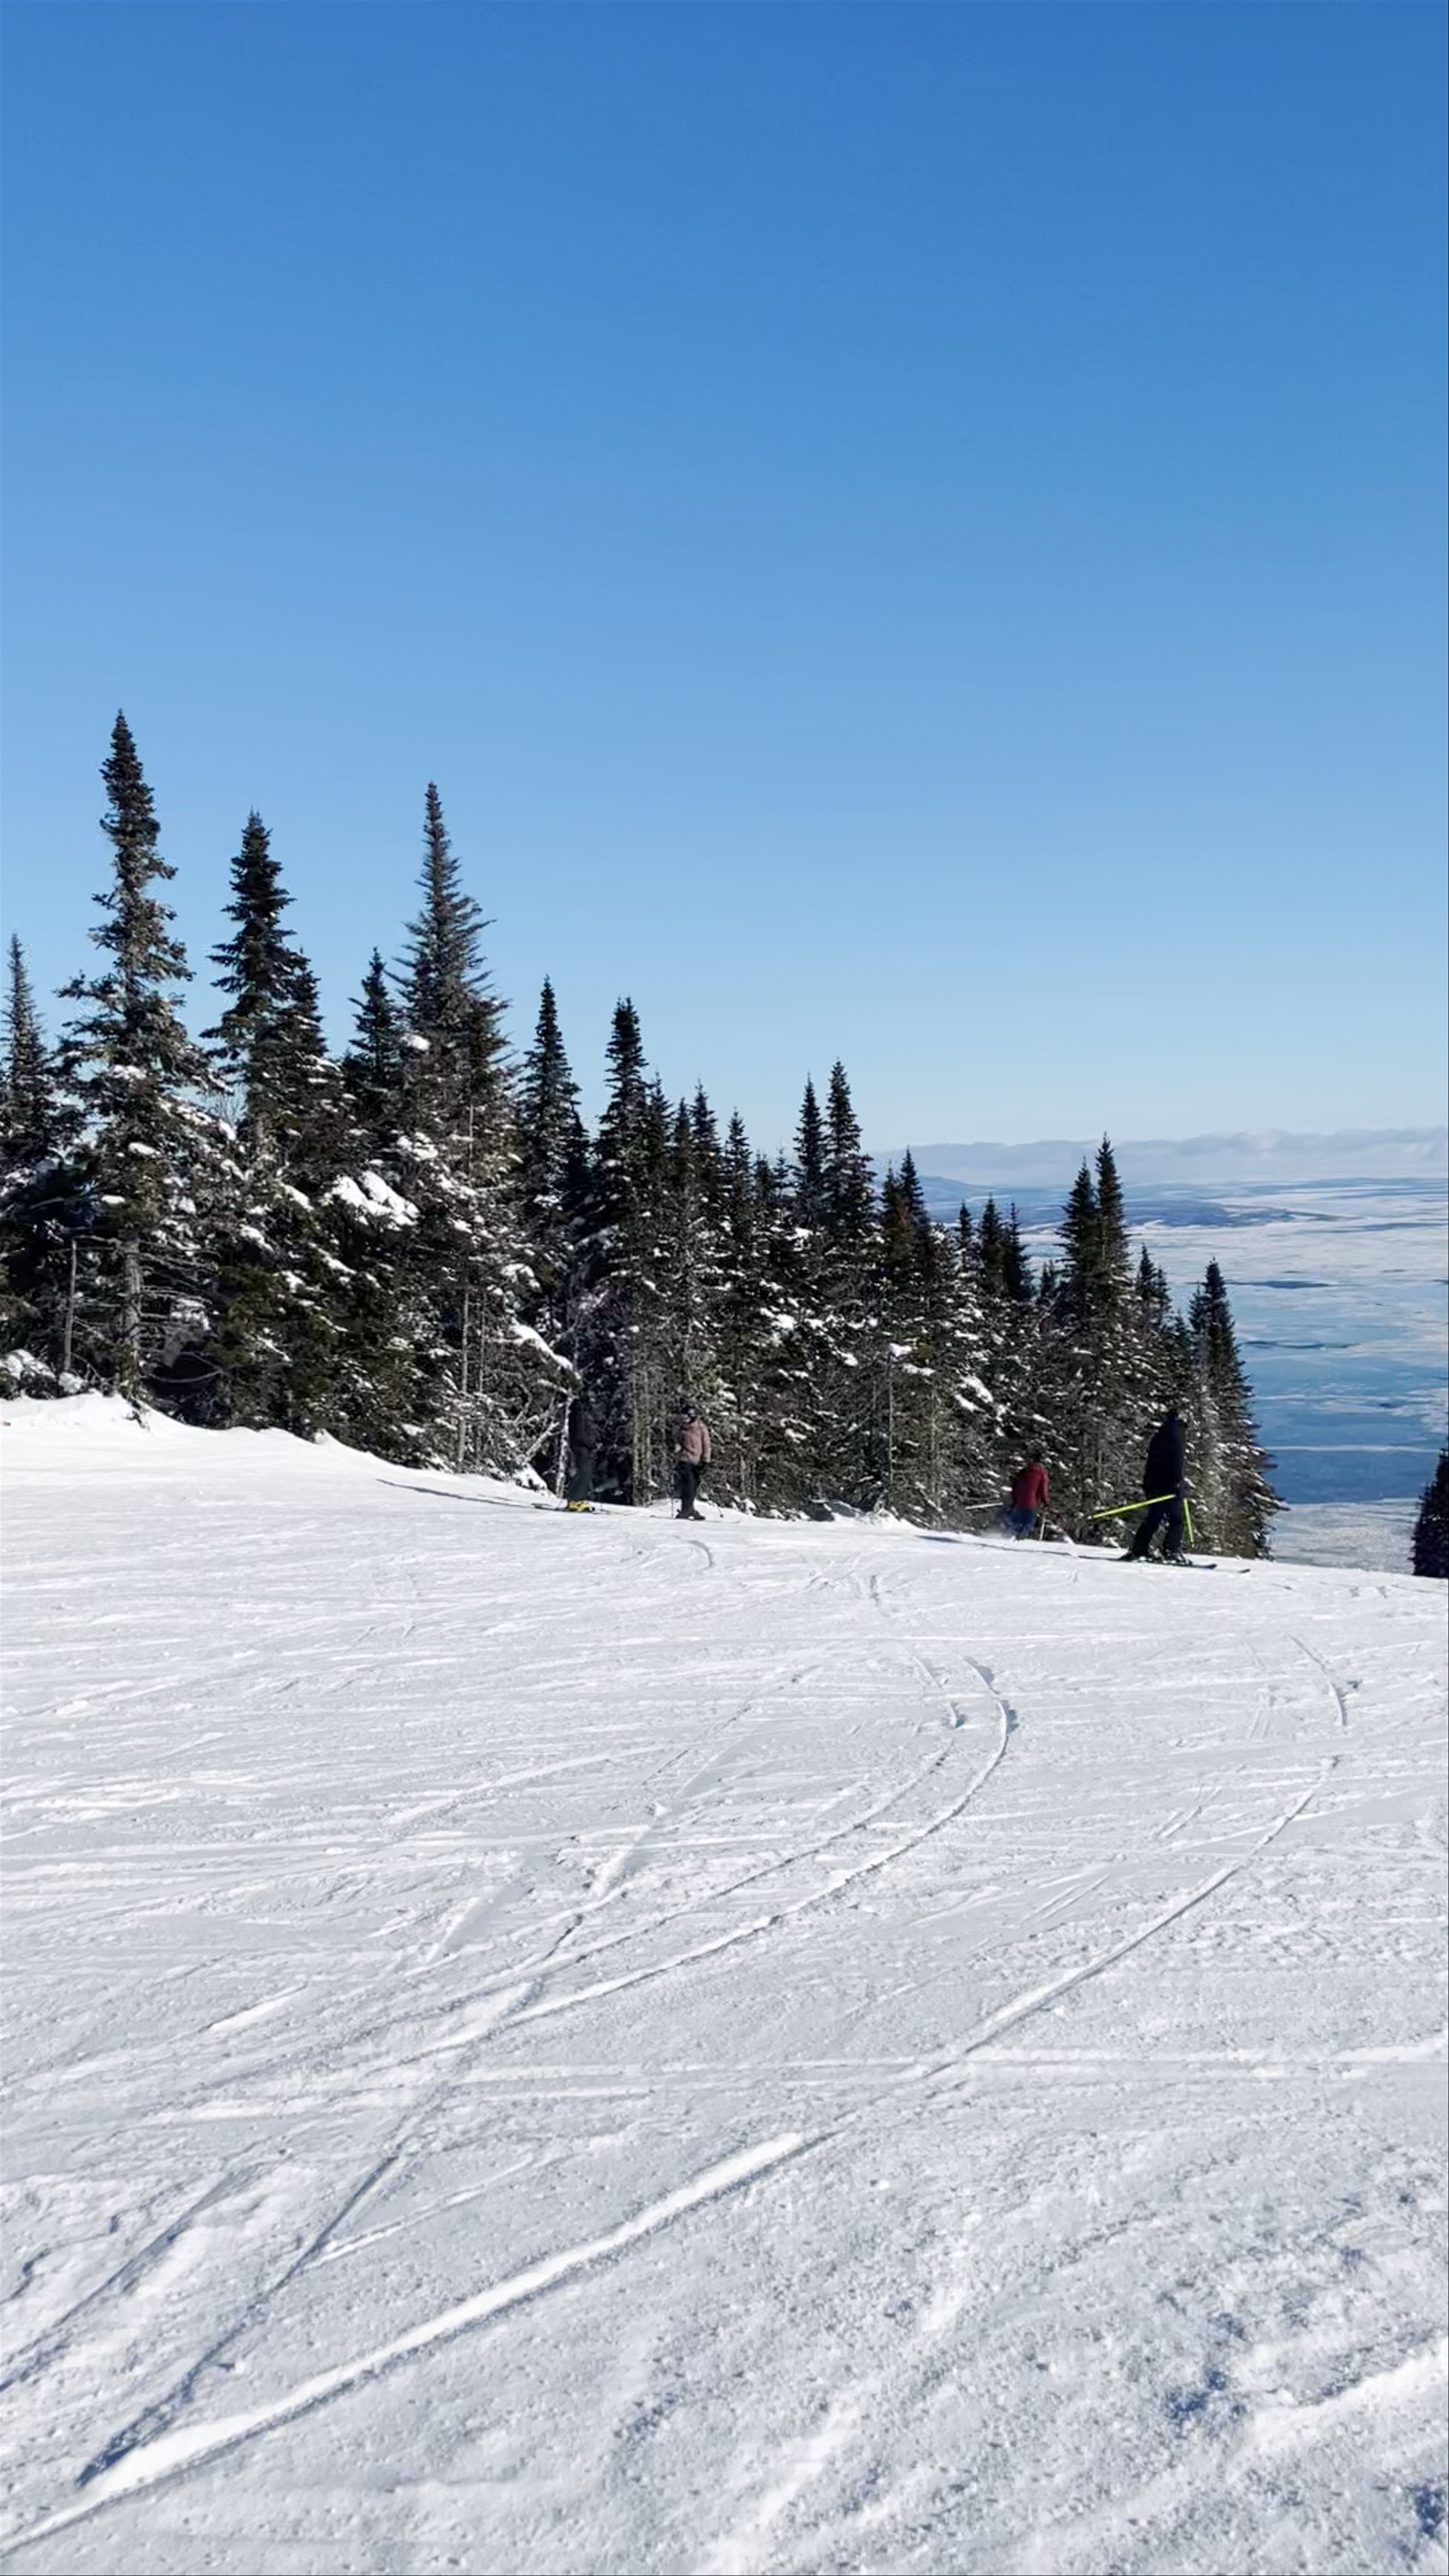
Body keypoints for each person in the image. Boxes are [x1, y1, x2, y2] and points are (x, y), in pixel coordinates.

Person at [1128, 1406, 1188, 1561]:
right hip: (1169, 1487)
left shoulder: (1160, 1435)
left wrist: (1148, 1484)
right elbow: (1176, 1463)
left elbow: (1153, 1463)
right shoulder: (1177, 1435)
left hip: (1154, 1486)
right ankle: (1171, 1552)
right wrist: (1177, 1484)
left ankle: (1139, 1549)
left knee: (1154, 1518)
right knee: (1177, 1521)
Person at [673, 1403, 711, 1520]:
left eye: (686, 1418)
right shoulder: (681, 1429)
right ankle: (686, 1510)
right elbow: (677, 1444)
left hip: (697, 1462)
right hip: (684, 1461)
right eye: (682, 1418)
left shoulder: (700, 1428)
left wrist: (706, 1461)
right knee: (688, 1485)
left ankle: (690, 1509)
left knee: (694, 1486)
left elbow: (706, 1444)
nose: (684, 1421)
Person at [564, 1392, 599, 1510]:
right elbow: (580, 1434)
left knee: (584, 1473)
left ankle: (577, 1500)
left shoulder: (578, 1413)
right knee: (585, 1473)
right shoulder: (579, 1414)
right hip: (581, 1447)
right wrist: (591, 1444)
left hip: (580, 1447)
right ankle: (576, 1501)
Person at [1004, 1450, 1049, 1539]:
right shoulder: (1042, 1473)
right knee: (1028, 1525)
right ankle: (1018, 1541)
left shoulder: (1023, 1472)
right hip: (1032, 1504)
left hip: (1020, 1502)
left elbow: (1015, 1487)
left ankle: (1006, 1538)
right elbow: (1043, 1490)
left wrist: (1015, 1500)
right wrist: (1046, 1502)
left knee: (1016, 1523)